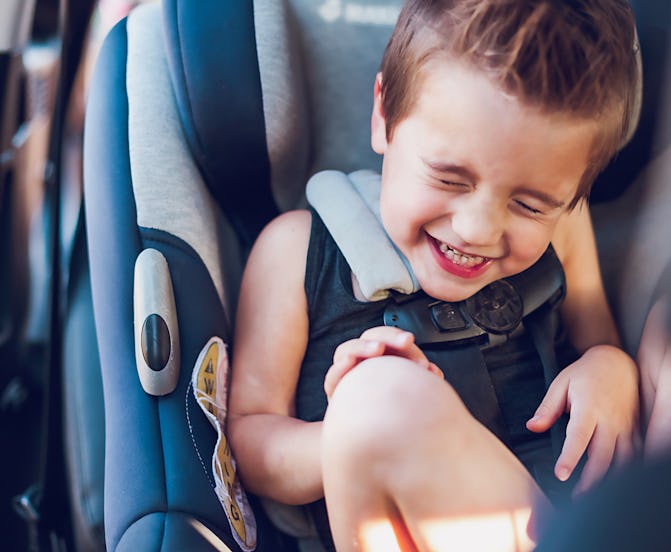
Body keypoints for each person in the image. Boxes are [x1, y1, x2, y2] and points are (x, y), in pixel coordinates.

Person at [228, 1, 641, 550]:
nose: (477, 229)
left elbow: (602, 342)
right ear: (384, 117)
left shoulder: (563, 233)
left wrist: (612, 370)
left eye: (530, 205)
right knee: (379, 397)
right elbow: (251, 439)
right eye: (450, 178)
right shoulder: (295, 250)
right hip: (392, 518)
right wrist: (359, 433)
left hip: (563, 505)